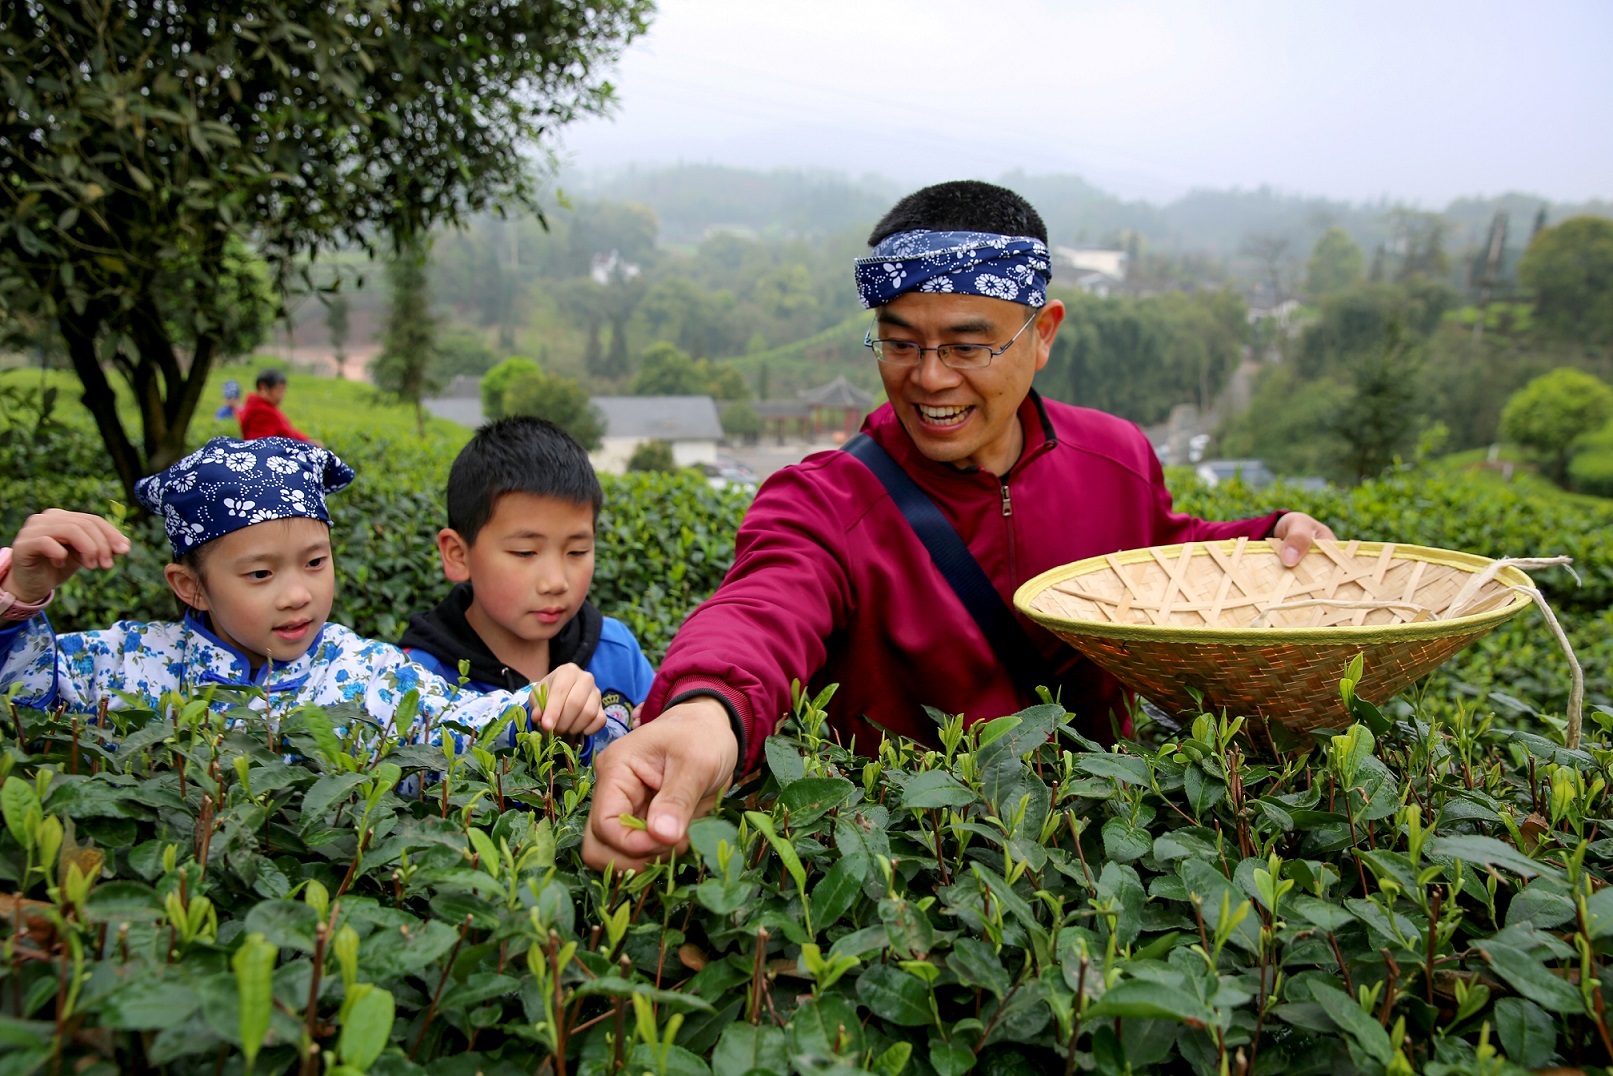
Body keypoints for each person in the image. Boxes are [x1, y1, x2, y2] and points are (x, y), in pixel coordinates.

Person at [581, 180, 1337, 871]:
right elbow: (763, 607)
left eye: (967, 345)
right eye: (900, 341)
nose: (930, 377)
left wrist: (1269, 537)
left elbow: (1160, 550)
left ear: (1043, 334)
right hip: (915, 885)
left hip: (1102, 866)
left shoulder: (1116, 457)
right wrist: (706, 712)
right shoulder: (827, 499)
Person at [0, 437, 604, 746]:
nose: (297, 595)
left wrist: (541, 708)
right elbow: (23, 706)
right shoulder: (130, 665)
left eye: (315, 562)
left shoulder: (364, 671)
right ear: (192, 588)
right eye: (261, 574)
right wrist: (18, 599)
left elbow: (455, 725)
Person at [400, 416, 654, 763]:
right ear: (458, 555)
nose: (556, 582)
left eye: (577, 551)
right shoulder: (418, 680)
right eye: (525, 552)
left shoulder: (617, 651)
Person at [237, 369, 316, 443]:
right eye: (279, 391)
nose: (282, 396)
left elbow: (288, 431)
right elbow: (260, 446)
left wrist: (307, 441)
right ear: (263, 388)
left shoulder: (264, 407)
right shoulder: (262, 412)